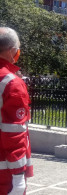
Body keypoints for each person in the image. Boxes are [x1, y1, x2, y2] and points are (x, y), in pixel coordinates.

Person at [0, 27, 33, 194]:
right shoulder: (11, 83)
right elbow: (14, 133)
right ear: (13, 51)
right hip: (5, 174)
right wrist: (19, 176)